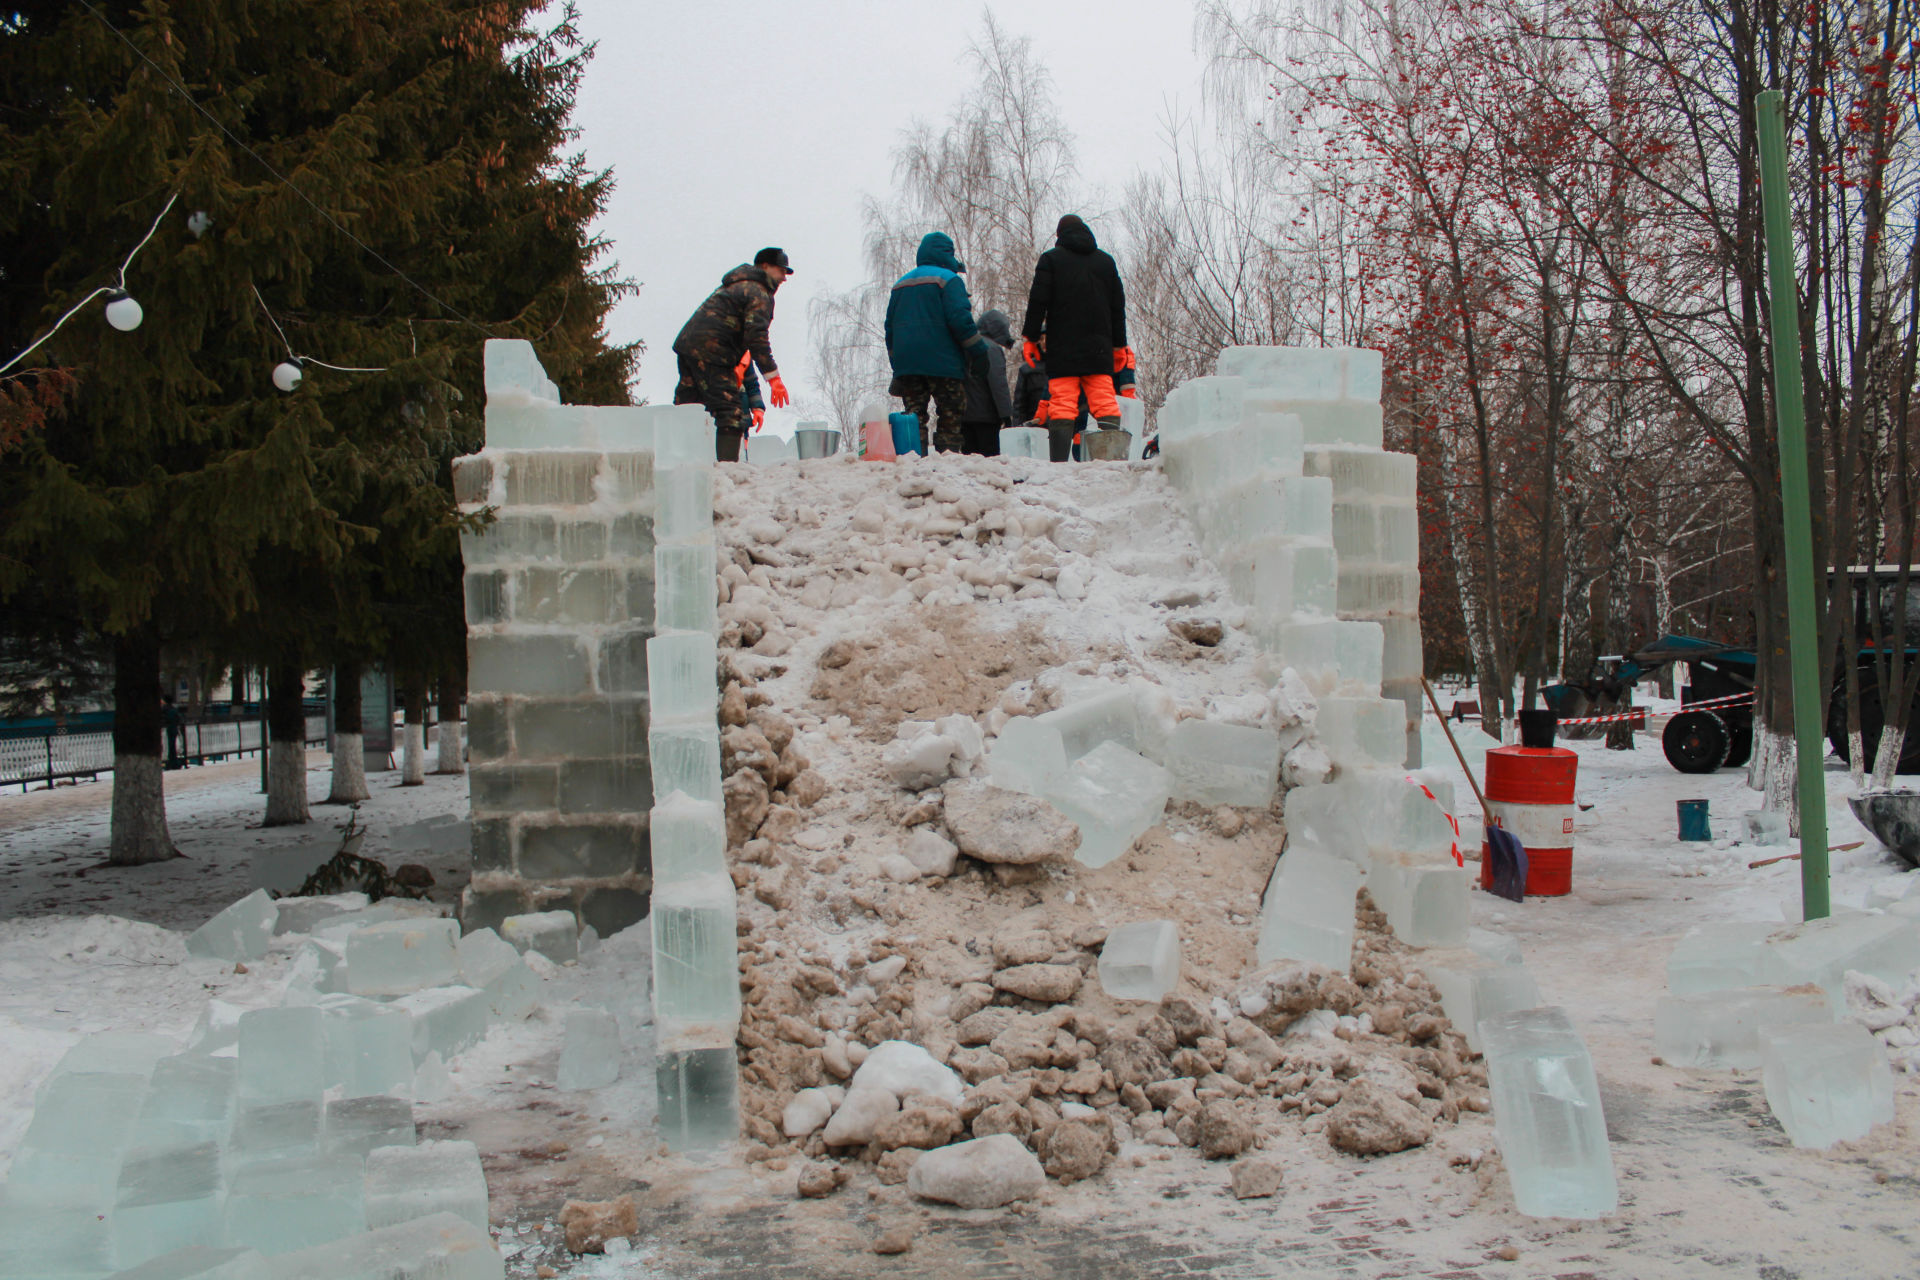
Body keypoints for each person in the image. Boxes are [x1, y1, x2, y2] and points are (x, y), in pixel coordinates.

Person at [1021, 214, 1133, 462]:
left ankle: (1058, 466)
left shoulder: (1051, 259)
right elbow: (1118, 308)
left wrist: (1029, 337)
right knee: (1105, 401)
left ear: (1060, 235)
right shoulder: (1106, 262)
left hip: (1063, 347)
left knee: (1061, 403)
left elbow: (1038, 301)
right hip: (1099, 348)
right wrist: (1119, 346)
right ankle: (1112, 462)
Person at [672, 248, 793, 462]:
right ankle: (727, 475)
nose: (784, 277)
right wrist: (773, 377)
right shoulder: (758, 291)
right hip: (713, 352)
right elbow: (756, 336)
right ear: (765, 267)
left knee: (689, 410)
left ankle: (679, 466)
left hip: (688, 346)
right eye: (781, 270)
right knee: (731, 413)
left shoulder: (735, 285)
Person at [884, 231, 989, 455]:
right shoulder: (949, 280)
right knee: (951, 413)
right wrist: (979, 351)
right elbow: (960, 321)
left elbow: (890, 329)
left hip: (908, 366)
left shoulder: (900, 285)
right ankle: (947, 464)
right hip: (944, 363)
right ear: (947, 254)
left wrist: (897, 364)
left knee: (914, 417)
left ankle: (913, 463)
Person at [960, 309, 1017, 455]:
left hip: (964, 415)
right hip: (986, 417)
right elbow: (998, 384)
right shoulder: (991, 348)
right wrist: (1006, 414)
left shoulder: (966, 344)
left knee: (970, 463)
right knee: (989, 461)